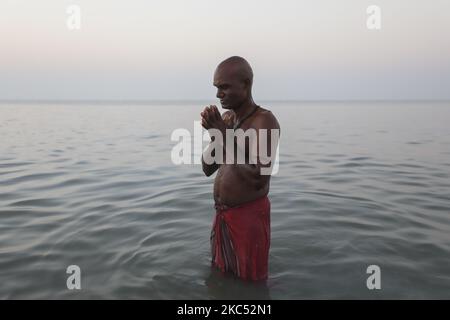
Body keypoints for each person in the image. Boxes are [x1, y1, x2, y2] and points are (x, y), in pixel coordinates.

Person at [200, 56, 280, 281]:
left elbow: (258, 177)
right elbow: (207, 167)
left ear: (245, 84)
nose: (218, 95)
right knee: (222, 278)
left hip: (249, 219)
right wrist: (215, 132)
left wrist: (223, 134)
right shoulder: (227, 119)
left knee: (250, 282)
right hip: (223, 216)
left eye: (224, 87)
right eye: (217, 88)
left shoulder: (264, 121)